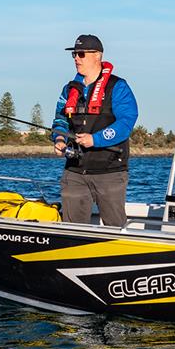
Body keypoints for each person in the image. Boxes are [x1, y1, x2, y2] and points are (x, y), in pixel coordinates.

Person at [51, 34, 138, 226]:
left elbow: (126, 123)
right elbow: (60, 120)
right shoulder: (69, 89)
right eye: (74, 54)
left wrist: (95, 140)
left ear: (97, 56)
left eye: (81, 54)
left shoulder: (118, 86)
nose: (76, 58)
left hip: (110, 171)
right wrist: (59, 140)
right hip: (74, 171)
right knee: (73, 229)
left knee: (115, 228)